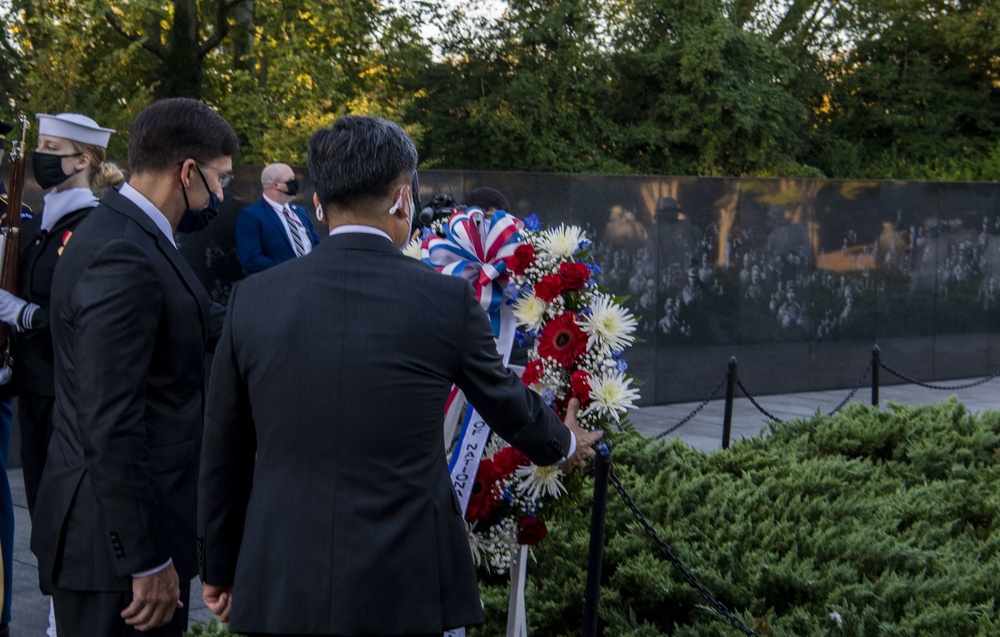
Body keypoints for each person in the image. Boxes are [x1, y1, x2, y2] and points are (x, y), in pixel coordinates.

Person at [197, 115, 602, 637]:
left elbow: (223, 448)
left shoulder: (253, 299)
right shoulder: (445, 299)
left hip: (282, 576)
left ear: (318, 202)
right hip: (406, 579)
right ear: (401, 198)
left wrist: (220, 567)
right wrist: (565, 443)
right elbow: (505, 402)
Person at [30, 98, 238, 637]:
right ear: (187, 171)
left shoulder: (134, 234)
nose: (222, 194)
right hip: (113, 553)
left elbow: (199, 322)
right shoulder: (120, 251)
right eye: (221, 179)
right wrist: (145, 559)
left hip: (127, 536)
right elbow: (110, 419)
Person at [0, 112, 123, 637]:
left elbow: (81, 317)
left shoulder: (92, 226)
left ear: (84, 160)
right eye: (42, 144)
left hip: (64, 392)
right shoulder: (41, 225)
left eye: (55, 147)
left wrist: (22, 314)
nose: (43, 156)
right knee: (45, 511)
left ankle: (61, 617)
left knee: (66, 512)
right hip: (32, 387)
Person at [235, 162, 320, 274]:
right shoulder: (251, 216)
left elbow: (316, 244)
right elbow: (251, 260)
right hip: (280, 283)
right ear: (276, 185)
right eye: (291, 180)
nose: (295, 184)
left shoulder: (300, 212)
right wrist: (295, 268)